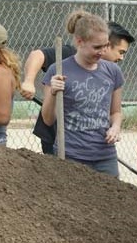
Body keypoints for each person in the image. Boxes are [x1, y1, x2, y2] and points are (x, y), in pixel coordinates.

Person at [20, 22, 135, 155]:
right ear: (106, 45)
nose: (121, 58)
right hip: (56, 136)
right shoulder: (72, 56)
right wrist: (28, 82)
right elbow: (37, 55)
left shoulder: (110, 71)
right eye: (120, 52)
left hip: (89, 143)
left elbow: (114, 111)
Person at [41, 10, 124, 176]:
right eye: (97, 47)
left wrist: (115, 127)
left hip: (104, 156)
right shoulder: (58, 70)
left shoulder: (113, 71)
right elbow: (48, 119)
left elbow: (116, 112)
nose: (102, 51)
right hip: (71, 155)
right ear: (80, 42)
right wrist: (53, 93)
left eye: (106, 45)